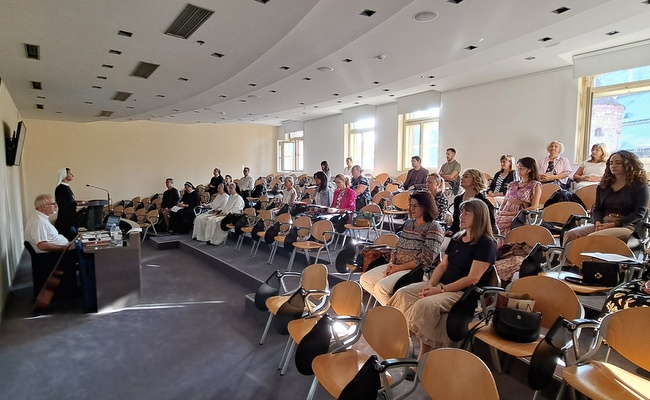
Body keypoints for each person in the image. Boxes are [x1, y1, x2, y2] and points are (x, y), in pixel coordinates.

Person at [388, 198, 497, 357]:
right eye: (461, 212)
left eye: (467, 213)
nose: (461, 216)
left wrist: (440, 290)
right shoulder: (457, 238)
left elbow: (472, 279)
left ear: (479, 217)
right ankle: (404, 341)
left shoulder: (486, 244)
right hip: (441, 284)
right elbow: (442, 266)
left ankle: (424, 355)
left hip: (464, 293)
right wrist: (430, 285)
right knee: (403, 294)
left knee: (424, 305)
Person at [360, 191, 444, 305]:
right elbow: (397, 247)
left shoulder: (434, 227)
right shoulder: (409, 223)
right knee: (365, 279)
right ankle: (396, 308)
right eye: (410, 205)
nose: (412, 209)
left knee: (381, 287)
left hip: (416, 270)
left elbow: (426, 259)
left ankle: (393, 312)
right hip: (397, 265)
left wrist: (397, 268)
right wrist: (391, 263)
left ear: (426, 206)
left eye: (415, 206)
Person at [563, 150, 648, 244]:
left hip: (628, 226)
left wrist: (614, 224)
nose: (613, 166)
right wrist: (597, 222)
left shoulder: (640, 186)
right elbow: (597, 208)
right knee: (571, 234)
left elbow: (639, 213)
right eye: (611, 163)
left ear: (629, 164)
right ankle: (568, 254)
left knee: (593, 237)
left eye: (618, 163)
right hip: (604, 223)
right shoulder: (604, 185)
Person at [24, 194, 79, 300]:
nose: (56, 206)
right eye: (53, 204)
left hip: (57, 252)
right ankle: (72, 292)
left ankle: (74, 288)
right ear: (44, 207)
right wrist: (65, 248)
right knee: (85, 254)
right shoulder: (38, 222)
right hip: (51, 256)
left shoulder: (42, 218)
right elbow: (42, 245)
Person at [495, 157, 542, 236]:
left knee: (498, 223)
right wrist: (500, 212)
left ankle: (504, 242)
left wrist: (512, 213)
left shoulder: (535, 185)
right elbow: (505, 201)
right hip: (506, 211)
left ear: (530, 170)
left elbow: (534, 206)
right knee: (490, 221)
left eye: (522, 168)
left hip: (520, 215)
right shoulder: (512, 184)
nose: (519, 170)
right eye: (518, 168)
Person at [447, 169, 498, 236]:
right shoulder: (458, 199)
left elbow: (491, 225)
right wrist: (452, 230)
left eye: (466, 176)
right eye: (462, 176)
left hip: (478, 235)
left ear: (475, 180)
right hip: (461, 234)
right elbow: (456, 223)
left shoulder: (483, 201)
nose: (462, 178)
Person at [54, 168, 86, 240]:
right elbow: (64, 205)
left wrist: (77, 202)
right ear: (64, 175)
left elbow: (69, 201)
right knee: (71, 239)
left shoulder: (66, 187)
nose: (72, 175)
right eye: (70, 174)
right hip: (66, 220)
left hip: (71, 218)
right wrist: (76, 203)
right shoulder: (61, 189)